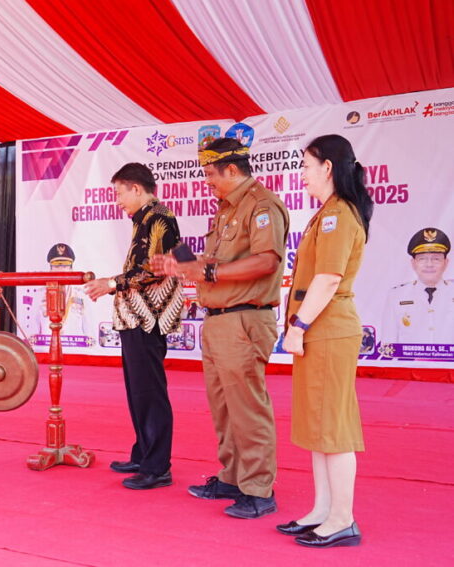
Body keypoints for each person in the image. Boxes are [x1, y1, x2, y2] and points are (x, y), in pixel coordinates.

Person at [152, 137, 289, 518]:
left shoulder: (261, 206)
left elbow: (266, 261)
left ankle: (259, 490)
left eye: (211, 174)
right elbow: (220, 264)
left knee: (247, 407)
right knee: (224, 407)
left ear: (232, 169)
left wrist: (208, 270)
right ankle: (232, 478)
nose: (207, 182)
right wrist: (183, 265)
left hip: (244, 320)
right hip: (218, 321)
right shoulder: (227, 209)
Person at [279, 134, 373, 548]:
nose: (301, 174)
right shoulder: (328, 214)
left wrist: (298, 326)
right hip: (320, 328)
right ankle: (322, 510)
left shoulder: (338, 216)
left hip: (327, 329)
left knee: (332, 428)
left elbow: (329, 278)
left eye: (305, 166)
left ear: (328, 167)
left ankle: (342, 518)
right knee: (319, 425)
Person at [85, 162, 183, 490]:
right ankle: (143, 454)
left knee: (149, 393)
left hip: (149, 318)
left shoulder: (160, 218)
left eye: (119, 193)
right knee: (137, 392)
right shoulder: (145, 220)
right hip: (136, 318)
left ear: (136, 189)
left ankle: (158, 466)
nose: (117, 200)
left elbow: (156, 270)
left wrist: (112, 283)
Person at [380, 228, 453, 345]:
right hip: (410, 363)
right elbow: (388, 343)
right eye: (422, 259)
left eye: (436, 259)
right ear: (413, 263)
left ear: (446, 262)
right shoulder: (396, 296)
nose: (429, 264)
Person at [21, 243, 90, 346]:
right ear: (50, 268)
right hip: (46, 348)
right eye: (57, 265)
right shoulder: (39, 295)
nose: (60, 269)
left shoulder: (81, 295)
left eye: (65, 265)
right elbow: (32, 330)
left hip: (76, 349)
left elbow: (89, 330)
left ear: (71, 269)